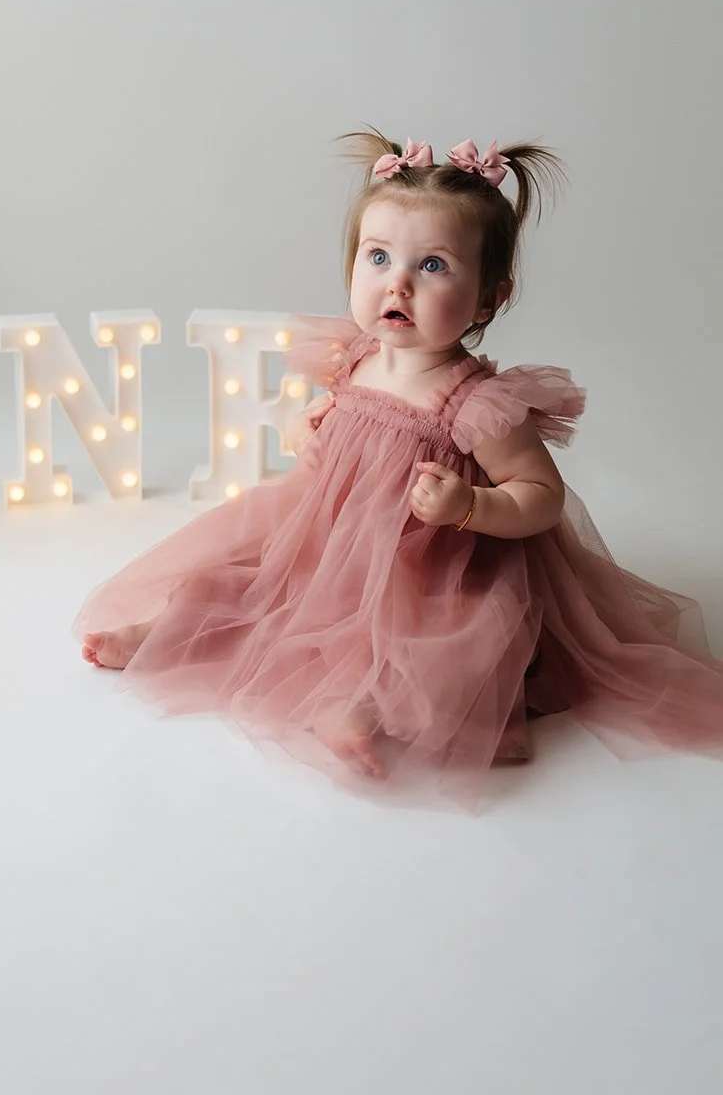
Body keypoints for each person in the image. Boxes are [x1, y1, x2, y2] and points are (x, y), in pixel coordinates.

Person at [74, 132, 723, 807]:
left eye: (433, 266)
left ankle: (359, 706)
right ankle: (165, 631)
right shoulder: (353, 358)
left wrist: (466, 506)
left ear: (487, 300)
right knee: (243, 580)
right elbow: (331, 412)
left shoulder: (477, 404)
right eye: (378, 257)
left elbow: (540, 497)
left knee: (446, 648)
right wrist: (308, 428)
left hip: (434, 567)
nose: (398, 283)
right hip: (329, 541)